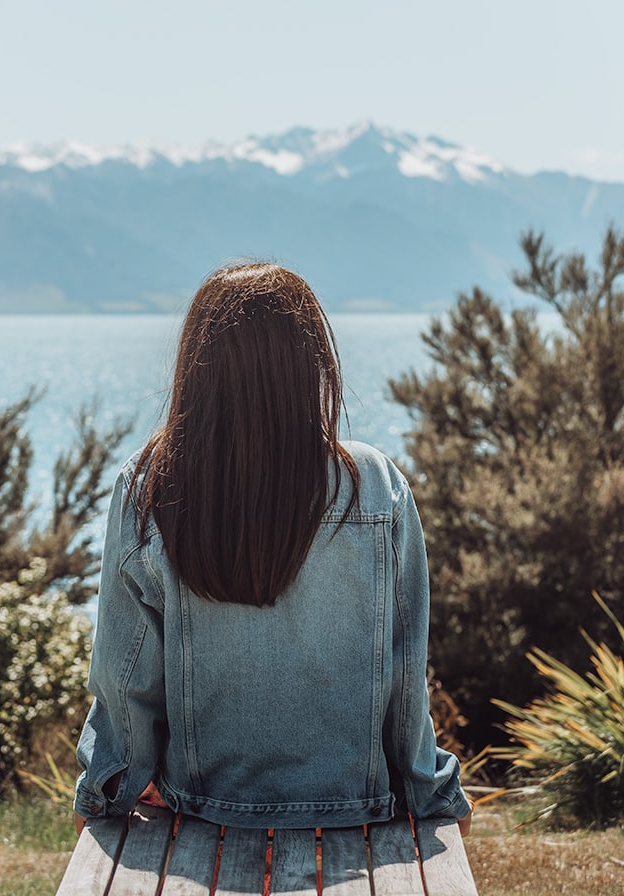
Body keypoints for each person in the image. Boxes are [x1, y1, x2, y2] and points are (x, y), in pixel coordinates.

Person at [73, 262, 472, 837]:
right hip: (351, 811)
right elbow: (405, 673)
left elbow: (125, 676)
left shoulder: (150, 486)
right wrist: (427, 794)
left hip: (201, 807)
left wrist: (110, 791)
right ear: (311, 364)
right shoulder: (377, 485)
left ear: (197, 368)